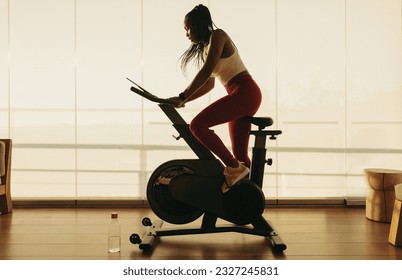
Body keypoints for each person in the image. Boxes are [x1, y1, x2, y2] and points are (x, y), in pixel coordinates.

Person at [170, 4, 262, 193]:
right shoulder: (205, 49)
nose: (187, 33)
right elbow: (208, 85)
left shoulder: (218, 36)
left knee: (197, 126)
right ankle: (249, 200)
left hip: (245, 92)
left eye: (188, 28)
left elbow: (206, 72)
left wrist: (183, 96)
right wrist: (183, 100)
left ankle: (233, 168)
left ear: (198, 25)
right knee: (241, 156)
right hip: (240, 95)